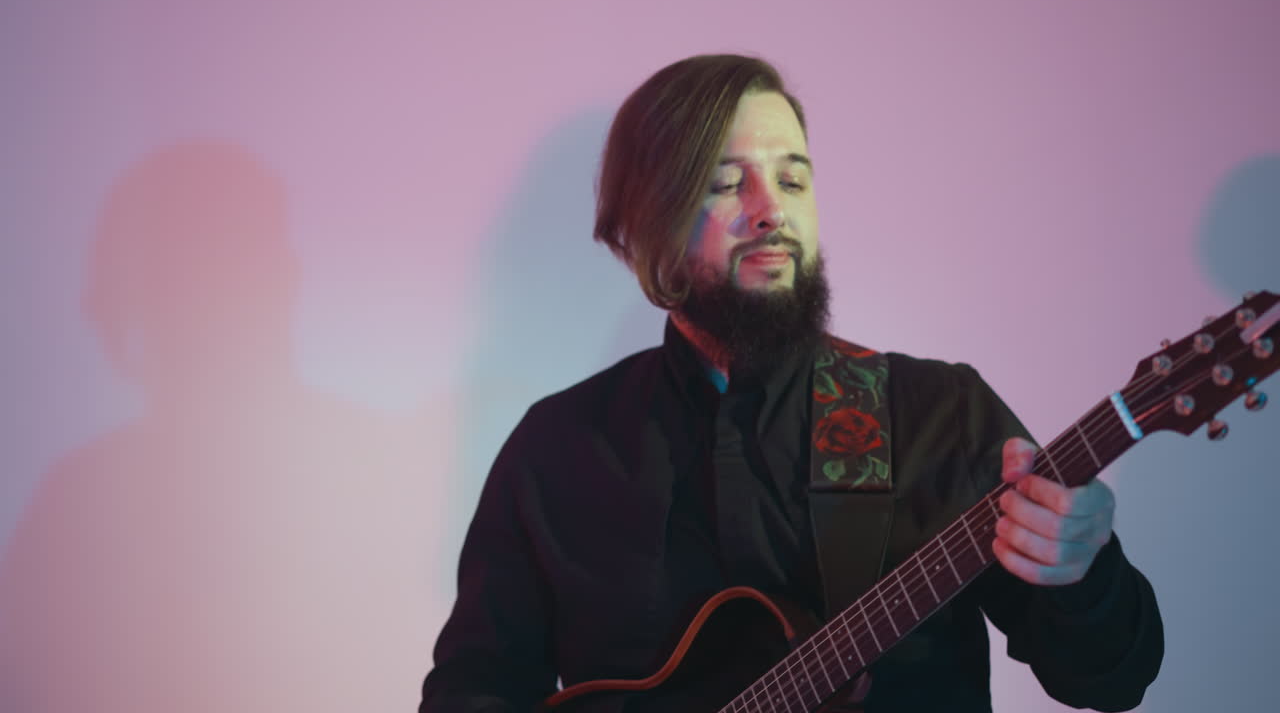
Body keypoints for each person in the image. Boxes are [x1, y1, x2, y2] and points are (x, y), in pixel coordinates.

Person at [420, 54, 1163, 712]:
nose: (772, 211)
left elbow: (1108, 681)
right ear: (649, 225)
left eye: (792, 178)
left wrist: (1081, 571)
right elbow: (472, 689)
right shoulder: (558, 451)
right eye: (725, 183)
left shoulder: (940, 414)